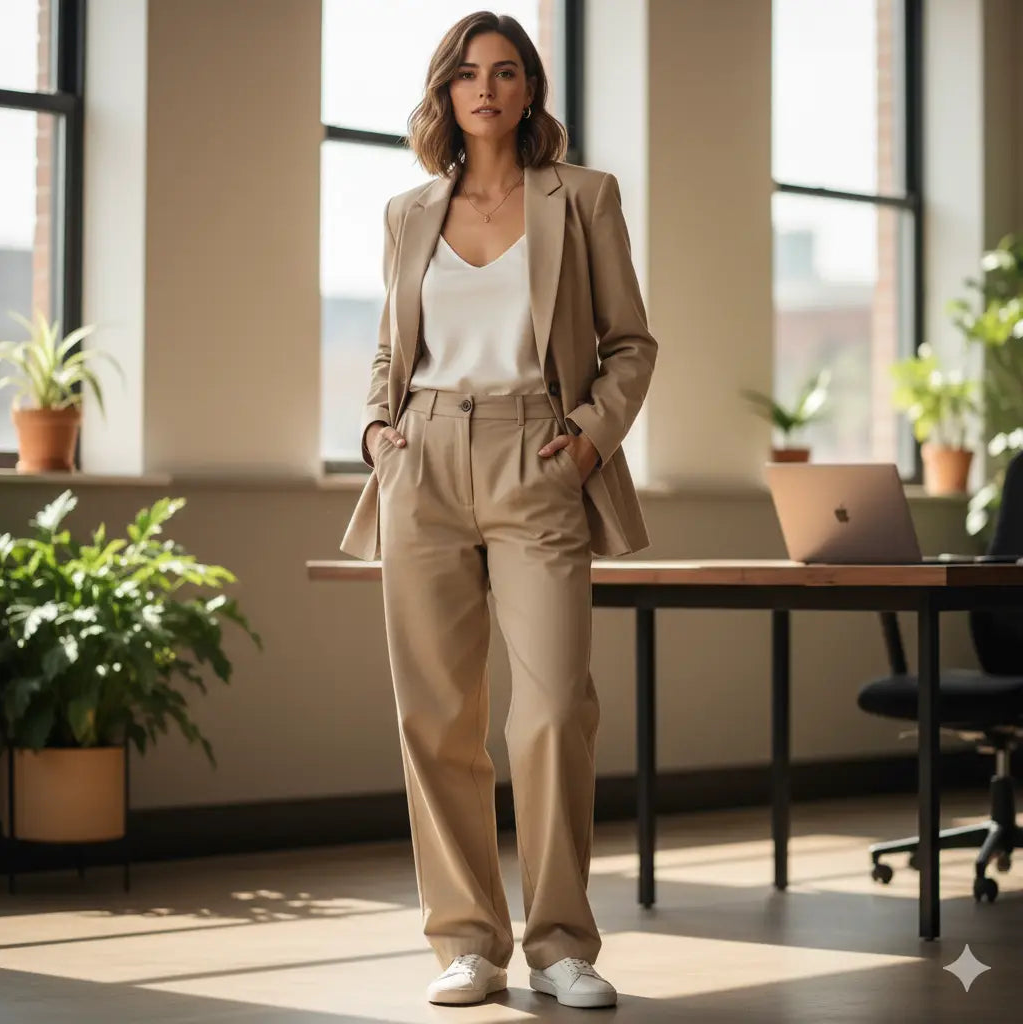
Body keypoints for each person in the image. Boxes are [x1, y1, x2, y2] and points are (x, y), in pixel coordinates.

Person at [339, 9, 657, 1010]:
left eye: (506, 71)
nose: (486, 88)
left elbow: (630, 343)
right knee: (436, 714)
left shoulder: (584, 197)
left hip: (539, 454)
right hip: (423, 457)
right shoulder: (407, 213)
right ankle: (467, 941)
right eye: (468, 73)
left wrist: (590, 439)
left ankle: (560, 943)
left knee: (556, 707)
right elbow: (392, 345)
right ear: (446, 91)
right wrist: (377, 430)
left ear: (529, 91)